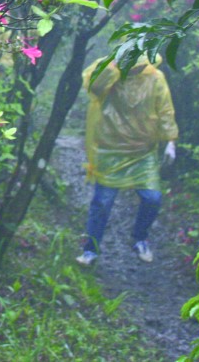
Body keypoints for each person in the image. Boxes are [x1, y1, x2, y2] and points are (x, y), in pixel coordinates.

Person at [76, 54, 178, 265]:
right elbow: (93, 88)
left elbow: (165, 109)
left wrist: (170, 141)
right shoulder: (109, 72)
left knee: (153, 198)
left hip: (143, 151)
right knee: (102, 202)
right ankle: (90, 250)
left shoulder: (156, 78)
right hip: (110, 148)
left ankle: (140, 238)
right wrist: (112, 69)